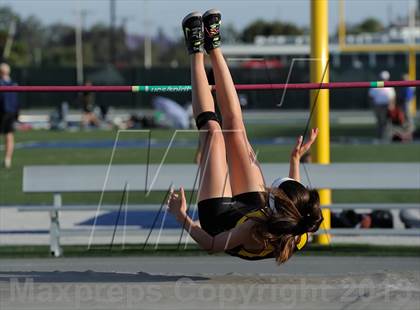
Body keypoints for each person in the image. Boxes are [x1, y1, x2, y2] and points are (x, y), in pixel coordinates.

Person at [167, 10, 323, 264]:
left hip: (219, 221)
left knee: (214, 133)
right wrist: (295, 160)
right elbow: (291, 202)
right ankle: (213, 45)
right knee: (236, 128)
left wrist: (181, 216)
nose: (270, 187)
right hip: (253, 209)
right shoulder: (299, 226)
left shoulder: (253, 229)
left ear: (274, 207)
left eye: (272, 190)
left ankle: (195, 50)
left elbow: (212, 245)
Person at [0, 63, 19, 168]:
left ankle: (7, 159)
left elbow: (15, 100)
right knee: (9, 136)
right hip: (5, 112)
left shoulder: (13, 83)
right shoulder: (10, 83)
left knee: (9, 136)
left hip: (8, 112)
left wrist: (16, 113)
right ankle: (7, 159)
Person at [368, 71, 396, 141]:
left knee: (387, 122)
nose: (384, 80)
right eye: (382, 78)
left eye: (385, 79)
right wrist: (373, 106)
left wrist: (392, 105)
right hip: (378, 106)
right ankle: (380, 137)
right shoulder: (376, 85)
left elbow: (393, 97)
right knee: (380, 122)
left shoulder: (390, 86)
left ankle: (387, 137)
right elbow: (371, 97)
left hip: (387, 106)